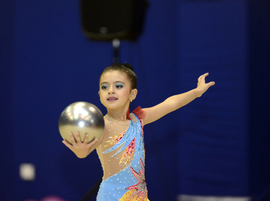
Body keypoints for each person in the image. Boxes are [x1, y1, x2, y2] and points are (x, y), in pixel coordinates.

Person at [62, 63, 215, 201]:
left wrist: (196, 92)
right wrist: (80, 151)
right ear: (99, 95)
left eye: (118, 86)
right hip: (112, 196)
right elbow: (84, 152)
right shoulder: (101, 124)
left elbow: (170, 104)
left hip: (139, 197)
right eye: (104, 87)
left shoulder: (137, 120)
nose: (110, 91)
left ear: (132, 94)